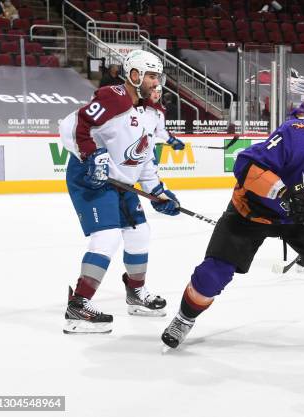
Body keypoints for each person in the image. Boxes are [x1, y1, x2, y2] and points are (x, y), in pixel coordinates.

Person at [161, 84, 304, 349]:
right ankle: (184, 318)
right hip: (252, 212)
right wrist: (283, 193)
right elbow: (246, 165)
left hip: (301, 218)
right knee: (214, 273)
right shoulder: (294, 135)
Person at [59, 50, 179, 334]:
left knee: (139, 232)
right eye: (151, 76)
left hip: (121, 182)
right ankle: (78, 306)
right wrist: (92, 155)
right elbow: (72, 126)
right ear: (134, 75)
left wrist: (159, 192)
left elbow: (144, 158)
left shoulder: (153, 112)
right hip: (91, 179)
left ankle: (136, 293)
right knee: (108, 236)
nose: (156, 83)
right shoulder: (114, 98)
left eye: (158, 77)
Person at [149, 85, 185, 151]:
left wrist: (173, 141)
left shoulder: (160, 110)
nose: (156, 94)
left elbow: (160, 131)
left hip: (147, 146)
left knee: (154, 161)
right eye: (153, 91)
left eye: (158, 92)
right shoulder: (138, 104)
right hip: (133, 144)